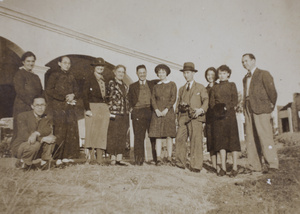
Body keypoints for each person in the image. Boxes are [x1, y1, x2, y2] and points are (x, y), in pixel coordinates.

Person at [242, 53, 279, 174]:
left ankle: (272, 164)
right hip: (248, 107)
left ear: (253, 61)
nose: (244, 63)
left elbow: (272, 91)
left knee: (265, 136)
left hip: (262, 108)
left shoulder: (263, 74)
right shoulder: (245, 78)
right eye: (243, 62)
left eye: (246, 61)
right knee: (251, 137)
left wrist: (271, 105)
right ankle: (255, 166)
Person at [45, 56, 80, 165]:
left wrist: (73, 95)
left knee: (70, 130)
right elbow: (49, 91)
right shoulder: (54, 75)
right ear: (59, 63)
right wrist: (64, 97)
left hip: (70, 107)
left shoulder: (71, 76)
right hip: (58, 107)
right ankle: (57, 157)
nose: (67, 65)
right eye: (64, 63)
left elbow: (77, 90)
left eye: (69, 63)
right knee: (60, 131)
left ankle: (67, 156)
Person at [175, 62, 209, 173]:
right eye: (184, 73)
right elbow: (178, 103)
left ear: (193, 73)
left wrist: (201, 110)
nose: (186, 75)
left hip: (195, 117)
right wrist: (177, 117)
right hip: (183, 117)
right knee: (180, 138)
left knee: (196, 140)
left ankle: (196, 165)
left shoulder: (200, 87)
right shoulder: (181, 89)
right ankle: (180, 162)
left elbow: (206, 101)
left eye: (188, 73)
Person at [210, 65, 241, 177]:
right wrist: (217, 110)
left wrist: (226, 107)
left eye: (224, 73)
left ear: (228, 74)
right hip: (218, 118)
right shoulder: (214, 87)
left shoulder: (232, 85)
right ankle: (223, 167)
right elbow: (212, 102)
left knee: (233, 142)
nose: (222, 75)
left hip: (230, 117)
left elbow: (235, 100)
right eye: (220, 73)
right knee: (221, 142)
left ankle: (234, 167)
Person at [11, 96, 56, 170]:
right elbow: (24, 135)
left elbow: (47, 130)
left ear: (45, 106)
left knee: (51, 138)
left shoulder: (46, 118)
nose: (40, 108)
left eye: (42, 105)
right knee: (35, 144)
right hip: (21, 145)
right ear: (32, 106)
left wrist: (36, 133)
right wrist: (42, 139)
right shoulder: (23, 116)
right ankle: (23, 162)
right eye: (37, 105)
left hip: (36, 145)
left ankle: (44, 161)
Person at [128, 65, 158, 165]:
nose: (142, 74)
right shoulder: (132, 86)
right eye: (140, 73)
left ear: (146, 72)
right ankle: (139, 160)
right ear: (137, 74)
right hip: (138, 112)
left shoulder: (152, 84)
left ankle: (155, 159)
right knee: (139, 136)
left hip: (150, 111)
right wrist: (132, 109)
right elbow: (129, 100)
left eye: (144, 72)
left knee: (153, 136)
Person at [82, 57, 110, 165]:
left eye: (102, 66)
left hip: (103, 107)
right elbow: (84, 95)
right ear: (94, 67)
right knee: (91, 131)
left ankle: (99, 158)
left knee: (102, 132)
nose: (100, 68)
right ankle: (90, 158)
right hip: (92, 106)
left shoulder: (105, 80)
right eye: (98, 66)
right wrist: (87, 109)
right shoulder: (88, 79)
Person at [148, 64, 177, 166]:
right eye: (159, 72)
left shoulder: (172, 84)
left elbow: (173, 98)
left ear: (167, 73)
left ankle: (169, 157)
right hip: (157, 113)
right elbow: (153, 99)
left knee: (169, 135)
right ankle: (159, 158)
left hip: (168, 112)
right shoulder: (155, 86)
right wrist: (156, 109)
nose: (161, 74)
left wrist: (166, 109)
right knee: (158, 136)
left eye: (163, 72)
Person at [12, 51, 43, 144]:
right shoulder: (19, 74)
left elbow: (40, 92)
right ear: (23, 62)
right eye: (28, 61)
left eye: (32, 61)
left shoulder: (36, 77)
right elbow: (20, 91)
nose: (31, 63)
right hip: (22, 107)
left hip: (34, 108)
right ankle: (18, 154)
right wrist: (33, 104)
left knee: (33, 131)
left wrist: (40, 105)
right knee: (22, 132)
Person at [106, 65, 130, 166]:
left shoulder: (125, 86)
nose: (121, 74)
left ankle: (119, 158)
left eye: (122, 72)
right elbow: (108, 98)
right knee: (113, 135)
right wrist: (110, 110)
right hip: (115, 113)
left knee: (122, 135)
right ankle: (112, 157)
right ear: (115, 72)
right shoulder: (111, 83)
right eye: (119, 72)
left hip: (124, 113)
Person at [204, 67, 218, 173]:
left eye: (212, 74)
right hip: (209, 119)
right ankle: (213, 166)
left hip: (219, 118)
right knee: (211, 141)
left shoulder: (219, 87)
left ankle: (222, 166)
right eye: (208, 74)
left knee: (220, 141)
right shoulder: (204, 89)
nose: (210, 77)